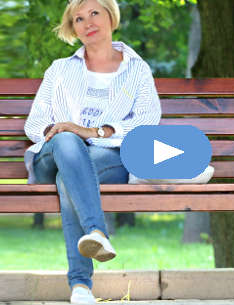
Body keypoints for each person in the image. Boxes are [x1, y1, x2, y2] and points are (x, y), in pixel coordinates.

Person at [23, 0, 162, 303]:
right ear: (73, 29)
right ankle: (97, 232)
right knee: (67, 143)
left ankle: (80, 287)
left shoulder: (137, 71)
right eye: (78, 19)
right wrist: (66, 132)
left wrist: (97, 133)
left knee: (68, 180)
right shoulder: (60, 70)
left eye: (94, 13)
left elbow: (147, 123)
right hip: (53, 155)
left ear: (111, 17)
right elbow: (35, 123)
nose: (87, 23)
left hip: (107, 158)